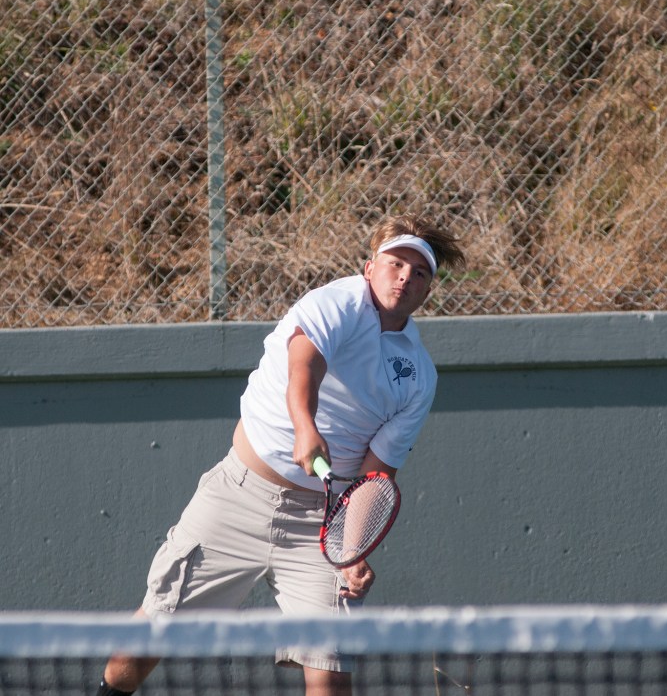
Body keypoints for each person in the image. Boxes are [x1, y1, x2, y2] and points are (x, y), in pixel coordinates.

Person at [96, 215, 466, 696]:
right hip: (237, 497)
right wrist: (306, 427)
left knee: (330, 675)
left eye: (420, 273)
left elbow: (375, 477)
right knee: (150, 632)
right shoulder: (337, 302)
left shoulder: (418, 374)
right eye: (396, 264)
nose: (405, 277)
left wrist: (351, 552)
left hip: (319, 524)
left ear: (428, 290)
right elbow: (303, 364)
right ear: (370, 266)